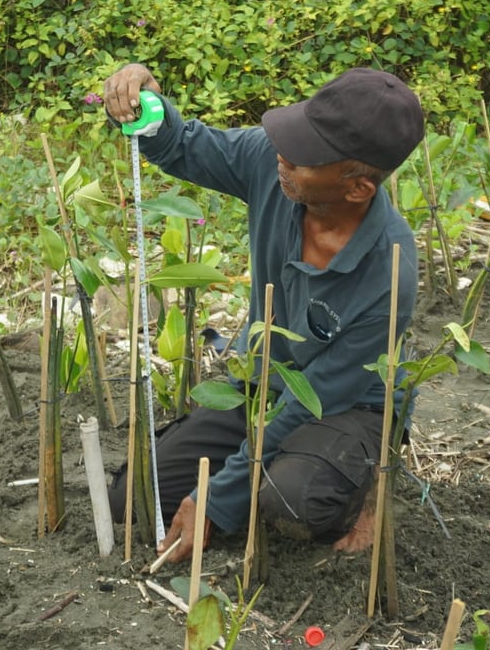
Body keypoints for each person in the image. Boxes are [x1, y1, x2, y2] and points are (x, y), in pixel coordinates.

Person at [103, 63, 425, 565]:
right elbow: (186, 145)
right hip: (266, 384)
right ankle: (272, 475)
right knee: (136, 499)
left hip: (349, 407)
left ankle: (365, 485)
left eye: (305, 156)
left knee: (293, 504)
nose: (283, 156)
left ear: (357, 187)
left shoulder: (390, 268)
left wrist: (217, 499)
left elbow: (313, 397)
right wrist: (144, 110)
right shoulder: (273, 166)